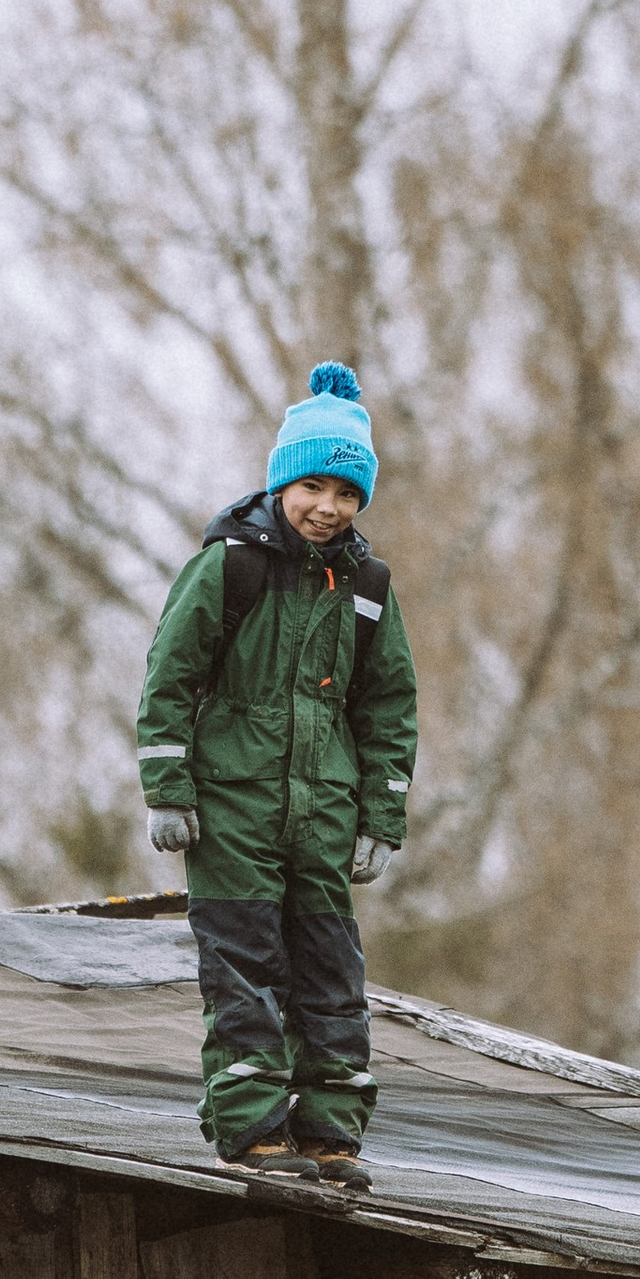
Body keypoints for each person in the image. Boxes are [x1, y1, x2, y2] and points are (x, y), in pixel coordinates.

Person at [135, 360, 418, 1187]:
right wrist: (169, 789)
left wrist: (380, 816)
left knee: (332, 971)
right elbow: (169, 676)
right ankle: (255, 1132)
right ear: (282, 483)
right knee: (246, 970)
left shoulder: (366, 586)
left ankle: (332, 1134)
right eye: (313, 488)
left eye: (347, 493)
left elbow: (388, 706)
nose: (327, 508)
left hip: (322, 816)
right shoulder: (231, 566)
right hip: (232, 811)